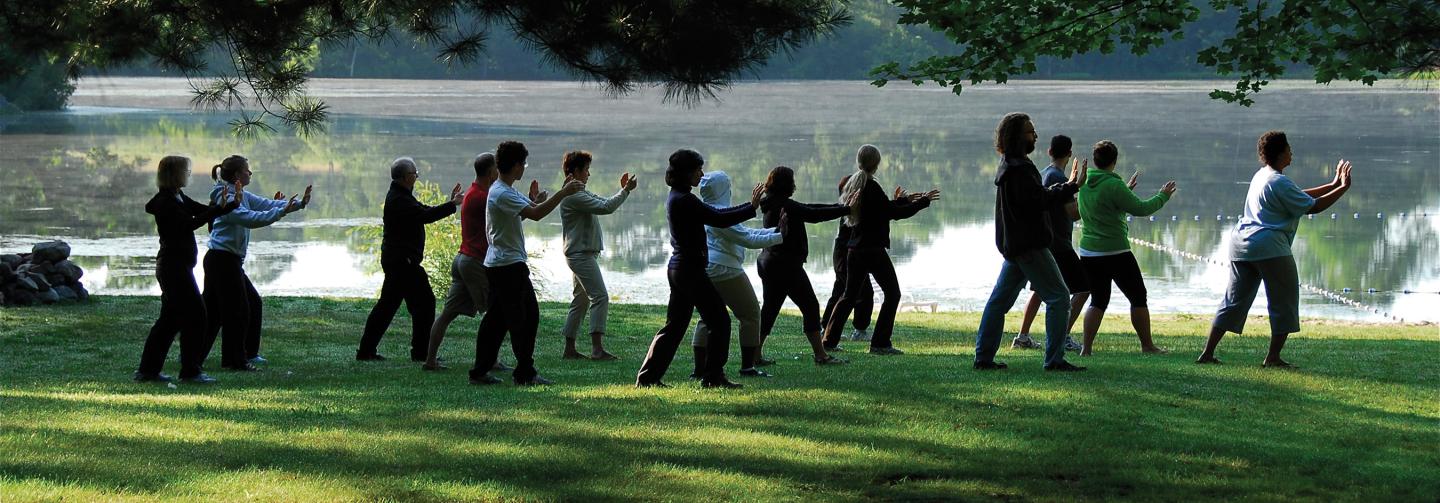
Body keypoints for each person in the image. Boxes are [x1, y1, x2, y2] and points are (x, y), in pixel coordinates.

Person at [1198, 131, 1353, 367]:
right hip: (1269, 247)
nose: (1292, 152)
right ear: (1281, 154)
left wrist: (1332, 184)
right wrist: (1343, 188)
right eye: (1289, 148)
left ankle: (1207, 353)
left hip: (1241, 245)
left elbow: (1299, 196)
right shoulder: (1279, 181)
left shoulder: (1262, 176)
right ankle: (1273, 358)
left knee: (1233, 300)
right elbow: (1313, 207)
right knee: (1284, 301)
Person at [635, 149, 763, 389]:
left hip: (681, 269)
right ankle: (713, 377)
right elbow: (718, 218)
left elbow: (716, 215)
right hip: (689, 271)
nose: (701, 174)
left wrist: (749, 207)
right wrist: (751, 206)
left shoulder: (678, 196)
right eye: (698, 170)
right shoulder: (685, 199)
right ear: (687, 172)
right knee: (719, 321)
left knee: (675, 326)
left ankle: (648, 378)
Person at [972, 113, 1087, 372]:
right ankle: (1054, 360)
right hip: (1029, 246)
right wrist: (1070, 186)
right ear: (1016, 136)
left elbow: (1037, 197)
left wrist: (1068, 186)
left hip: (1015, 245)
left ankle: (983, 357)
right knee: (1059, 297)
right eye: (1029, 131)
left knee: (998, 302)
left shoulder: (1010, 164)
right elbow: (1039, 200)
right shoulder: (1020, 169)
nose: (1035, 135)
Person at [469, 141, 585, 386]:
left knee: (497, 322)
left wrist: (540, 198)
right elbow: (536, 214)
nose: (524, 168)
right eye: (524, 163)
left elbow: (532, 207)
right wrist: (562, 194)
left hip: (503, 264)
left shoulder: (504, 189)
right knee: (524, 319)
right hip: (507, 266)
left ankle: (480, 371)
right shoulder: (501, 191)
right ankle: (524, 373)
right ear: (516, 165)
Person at [821, 145, 938, 355]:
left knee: (848, 295)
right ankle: (880, 343)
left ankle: (828, 341)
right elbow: (892, 213)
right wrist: (923, 202)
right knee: (893, 293)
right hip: (872, 250)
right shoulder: (871, 186)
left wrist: (902, 201)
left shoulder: (854, 184)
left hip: (854, 249)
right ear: (877, 164)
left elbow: (881, 209)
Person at [136, 155, 239, 384]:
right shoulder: (165, 203)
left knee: (170, 320)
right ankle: (190, 371)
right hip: (172, 268)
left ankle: (148, 371)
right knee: (197, 315)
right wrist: (216, 211)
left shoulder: (177, 196)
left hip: (179, 267)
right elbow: (189, 223)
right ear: (174, 174)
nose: (189, 174)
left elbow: (200, 210)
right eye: (186, 170)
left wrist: (228, 206)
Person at [202, 155, 309, 371]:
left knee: (218, 312)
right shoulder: (227, 199)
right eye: (247, 170)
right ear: (236, 175)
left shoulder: (241, 194)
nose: (250, 173)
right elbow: (252, 218)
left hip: (226, 261)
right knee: (237, 311)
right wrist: (282, 210)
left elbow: (266, 204)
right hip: (222, 261)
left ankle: (198, 356)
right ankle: (234, 361)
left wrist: (297, 205)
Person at [356, 157, 464, 361]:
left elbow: (423, 210)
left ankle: (366, 351)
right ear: (407, 177)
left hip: (398, 260)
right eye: (416, 173)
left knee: (387, 306)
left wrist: (450, 203)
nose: (417, 176)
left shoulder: (401, 195)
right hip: (403, 262)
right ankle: (420, 352)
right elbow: (426, 216)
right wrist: (452, 205)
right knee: (424, 303)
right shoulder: (399, 199)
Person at [1076, 140, 1177, 355]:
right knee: (1138, 296)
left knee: (1098, 300)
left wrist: (1126, 191)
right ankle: (1147, 346)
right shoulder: (1114, 185)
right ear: (1114, 161)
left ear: (1095, 160)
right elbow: (1141, 209)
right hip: (1115, 251)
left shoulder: (1084, 183)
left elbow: (1105, 208)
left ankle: (1086, 349)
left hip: (1089, 252)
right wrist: (1163, 196)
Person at [690, 171, 784, 378]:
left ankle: (698, 369)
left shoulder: (708, 209)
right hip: (726, 268)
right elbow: (748, 240)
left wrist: (775, 232)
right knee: (750, 314)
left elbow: (745, 233)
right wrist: (780, 237)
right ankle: (747, 367)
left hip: (709, 268)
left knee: (707, 318)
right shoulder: (721, 212)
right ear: (723, 188)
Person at [756, 165, 850, 366]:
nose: (795, 185)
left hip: (769, 261)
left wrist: (842, 207)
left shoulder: (774, 203)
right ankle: (821, 355)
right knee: (810, 306)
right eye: (792, 181)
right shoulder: (785, 206)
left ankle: (755, 354)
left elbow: (810, 207)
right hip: (785, 265)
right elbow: (814, 215)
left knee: (770, 309)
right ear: (786, 184)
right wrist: (847, 209)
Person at [422, 153, 498, 371]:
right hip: (474, 262)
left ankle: (430, 361)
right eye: (496, 169)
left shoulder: (474, 192)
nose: (498, 173)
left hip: (463, 259)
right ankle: (489, 361)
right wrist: (534, 206)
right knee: (494, 312)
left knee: (447, 314)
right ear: (490, 172)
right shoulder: (482, 197)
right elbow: (504, 222)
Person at [1011, 136, 1087, 353]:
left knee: (1041, 291)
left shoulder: (1044, 173)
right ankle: (1061, 336)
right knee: (1082, 289)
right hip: (1060, 245)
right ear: (1069, 153)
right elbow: (1073, 214)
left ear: (1049, 151)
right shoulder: (1058, 177)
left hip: (1044, 242)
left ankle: (1022, 337)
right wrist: (1082, 194)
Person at [559, 150, 636, 361]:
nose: (589, 174)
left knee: (581, 301)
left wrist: (622, 190)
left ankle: (569, 349)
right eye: (586, 170)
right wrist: (626, 191)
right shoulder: (574, 195)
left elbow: (602, 201)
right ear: (576, 171)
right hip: (580, 255)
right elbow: (606, 207)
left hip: (580, 254)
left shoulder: (579, 192)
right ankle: (597, 349)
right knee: (600, 296)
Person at [820, 175, 875, 343]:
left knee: (840, 290)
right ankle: (859, 330)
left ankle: (825, 327)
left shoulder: (850, 207)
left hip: (845, 252)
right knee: (862, 291)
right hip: (845, 252)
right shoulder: (848, 208)